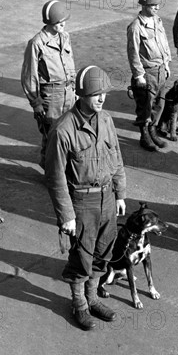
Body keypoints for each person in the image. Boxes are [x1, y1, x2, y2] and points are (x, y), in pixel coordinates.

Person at [45, 65, 126, 331]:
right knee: (82, 256)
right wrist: (66, 215)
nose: (101, 98)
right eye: (95, 94)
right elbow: (55, 178)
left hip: (107, 198)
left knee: (104, 252)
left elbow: (117, 158)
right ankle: (79, 304)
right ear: (81, 95)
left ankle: (92, 298)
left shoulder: (106, 120)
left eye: (104, 93)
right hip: (81, 203)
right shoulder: (63, 130)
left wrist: (120, 193)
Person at [21, 0, 76, 169]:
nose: (63, 24)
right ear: (49, 21)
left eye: (64, 20)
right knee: (52, 135)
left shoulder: (65, 37)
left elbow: (70, 62)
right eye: (59, 21)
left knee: (70, 132)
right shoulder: (37, 43)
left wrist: (76, 89)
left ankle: (63, 168)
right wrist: (36, 103)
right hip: (51, 97)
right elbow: (29, 76)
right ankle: (51, 171)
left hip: (69, 93)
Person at [127, 0, 171, 151]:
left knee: (159, 104)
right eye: (153, 5)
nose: (157, 8)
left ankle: (153, 130)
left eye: (158, 5)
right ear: (144, 5)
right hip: (147, 73)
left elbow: (164, 43)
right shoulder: (135, 27)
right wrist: (139, 76)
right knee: (145, 106)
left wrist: (166, 63)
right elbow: (133, 54)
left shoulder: (157, 21)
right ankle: (144, 134)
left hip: (160, 70)